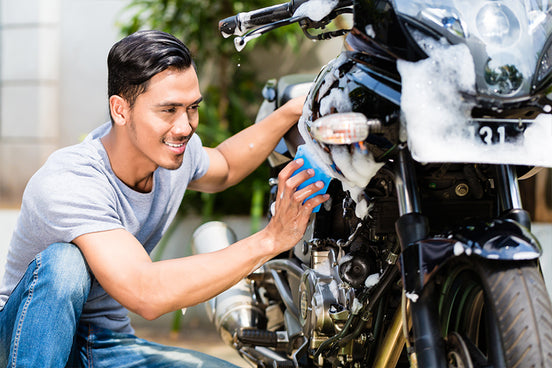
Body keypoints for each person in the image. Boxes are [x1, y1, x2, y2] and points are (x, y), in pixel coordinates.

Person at [0, 30, 328, 367]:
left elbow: (227, 165)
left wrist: (292, 110)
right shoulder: (71, 180)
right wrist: (271, 239)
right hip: (21, 342)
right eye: (168, 110)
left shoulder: (171, 156)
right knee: (64, 264)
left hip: (102, 344)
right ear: (120, 110)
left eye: (192, 108)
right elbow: (146, 292)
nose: (185, 127)